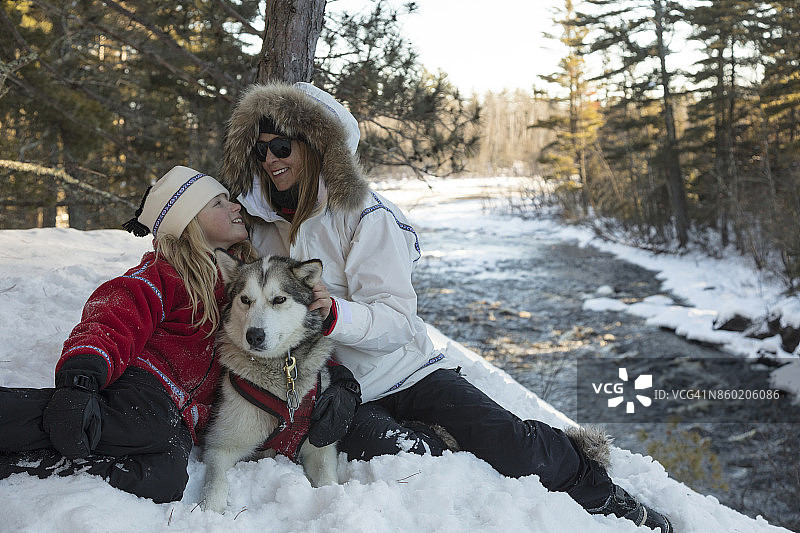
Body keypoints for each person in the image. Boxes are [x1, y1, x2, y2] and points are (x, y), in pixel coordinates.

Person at [219, 82, 674, 532]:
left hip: (409, 371)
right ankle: (439, 439)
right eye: (260, 152)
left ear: (318, 146)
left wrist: (334, 312)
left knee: (511, 448)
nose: (271, 161)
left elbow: (397, 321)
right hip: (344, 390)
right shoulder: (264, 227)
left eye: (281, 147)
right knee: (387, 453)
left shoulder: (366, 217)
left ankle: (605, 493)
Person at [0, 166, 256, 503]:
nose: (235, 205)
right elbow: (111, 319)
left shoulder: (246, 284)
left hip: (178, 417)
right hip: (144, 387)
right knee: (141, 425)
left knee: (164, 480)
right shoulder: (164, 274)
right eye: (218, 203)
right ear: (189, 222)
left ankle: (19, 463)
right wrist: (79, 383)